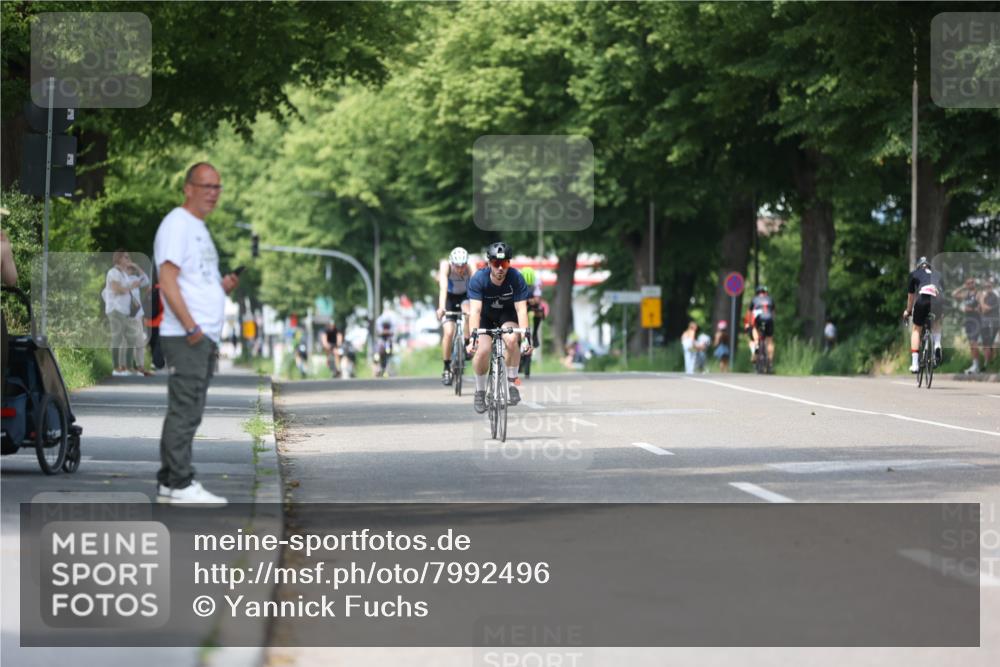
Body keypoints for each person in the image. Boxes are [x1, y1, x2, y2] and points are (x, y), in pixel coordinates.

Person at [154, 162, 239, 505]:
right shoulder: (178, 224)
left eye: (217, 187)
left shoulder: (198, 228)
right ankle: (179, 482)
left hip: (202, 334)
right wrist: (190, 327)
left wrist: (221, 288)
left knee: (191, 408)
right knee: (185, 408)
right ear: (188, 188)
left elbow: (194, 280)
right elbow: (168, 279)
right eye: (205, 186)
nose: (212, 194)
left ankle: (169, 482)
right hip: (187, 334)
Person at [466, 241, 532, 413]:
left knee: (511, 339)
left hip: (507, 315)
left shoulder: (516, 278)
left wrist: (526, 338)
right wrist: (472, 338)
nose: (501, 268)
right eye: (496, 264)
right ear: (489, 264)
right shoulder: (478, 279)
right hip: (485, 317)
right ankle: (480, 391)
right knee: (483, 350)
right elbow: (475, 310)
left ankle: (512, 383)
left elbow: (521, 309)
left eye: (505, 263)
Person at [104, 250, 145, 377]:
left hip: (125, 311)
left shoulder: (123, 274)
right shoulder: (113, 272)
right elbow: (116, 289)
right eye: (126, 257)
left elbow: (143, 282)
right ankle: (116, 369)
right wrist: (131, 286)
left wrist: (135, 284)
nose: (128, 259)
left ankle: (128, 368)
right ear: (119, 259)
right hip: (116, 310)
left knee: (131, 338)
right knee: (117, 338)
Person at [436, 247, 471, 385]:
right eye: (457, 266)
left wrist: (476, 308)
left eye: (463, 266)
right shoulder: (446, 266)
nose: (460, 269)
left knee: (469, 312)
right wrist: (441, 307)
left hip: (464, 296)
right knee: (449, 332)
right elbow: (443, 288)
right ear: (452, 263)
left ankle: (468, 343)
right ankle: (446, 367)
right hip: (449, 298)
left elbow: (475, 287)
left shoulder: (470, 267)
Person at [903, 256, 943, 373]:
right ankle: (937, 344)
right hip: (937, 300)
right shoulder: (938, 275)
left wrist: (908, 311)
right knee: (937, 321)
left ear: (919, 266)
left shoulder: (914, 274)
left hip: (923, 298)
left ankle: (915, 364)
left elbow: (911, 297)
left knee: (916, 329)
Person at [126, 261, 152, 375]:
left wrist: (136, 265)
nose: (130, 270)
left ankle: (140, 366)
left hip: (137, 314)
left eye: (131, 269)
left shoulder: (134, 278)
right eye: (128, 268)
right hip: (125, 315)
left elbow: (146, 280)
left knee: (140, 341)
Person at [952, 278, 982, 374]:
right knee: (971, 344)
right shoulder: (966, 294)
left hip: (976, 321)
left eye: (971, 283)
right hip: (968, 321)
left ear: (974, 283)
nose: (969, 284)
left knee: (974, 343)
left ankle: (977, 366)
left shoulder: (978, 294)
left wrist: (971, 309)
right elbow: (954, 294)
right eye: (968, 283)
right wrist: (963, 287)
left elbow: (981, 308)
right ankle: (974, 365)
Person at [748, 285, 776, 373]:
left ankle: (756, 344)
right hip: (769, 319)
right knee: (769, 341)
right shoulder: (770, 299)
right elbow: (774, 312)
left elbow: (750, 313)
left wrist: (750, 324)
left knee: (754, 329)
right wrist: (772, 321)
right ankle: (770, 362)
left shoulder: (754, 299)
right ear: (766, 292)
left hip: (758, 319)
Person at [980, 276, 998, 370]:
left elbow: (985, 309)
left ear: (992, 286)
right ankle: (987, 363)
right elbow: (982, 310)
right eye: (986, 286)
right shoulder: (985, 296)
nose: (987, 288)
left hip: (993, 322)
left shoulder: (994, 297)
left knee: (991, 343)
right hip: (984, 322)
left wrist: (982, 300)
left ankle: (990, 363)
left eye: (989, 286)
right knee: (985, 343)